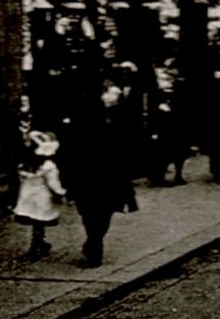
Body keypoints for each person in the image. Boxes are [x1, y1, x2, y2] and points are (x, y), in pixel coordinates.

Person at [62, 77, 139, 268]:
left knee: (106, 211)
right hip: (88, 172)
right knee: (88, 211)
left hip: (112, 173)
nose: (118, 95)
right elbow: (75, 143)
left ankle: (94, 243)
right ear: (103, 94)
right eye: (114, 92)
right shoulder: (86, 114)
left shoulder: (120, 114)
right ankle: (94, 245)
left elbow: (129, 140)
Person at [13, 130, 66, 261]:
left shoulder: (26, 165)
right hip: (42, 198)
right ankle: (37, 245)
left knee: (35, 222)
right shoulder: (48, 166)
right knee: (39, 222)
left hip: (28, 197)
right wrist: (61, 193)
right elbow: (53, 184)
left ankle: (39, 244)